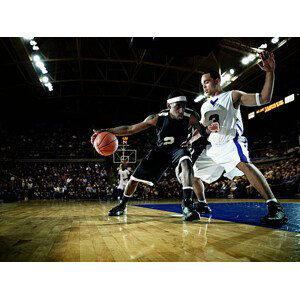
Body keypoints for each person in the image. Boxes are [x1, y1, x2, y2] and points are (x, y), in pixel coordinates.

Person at [189, 50, 287, 225]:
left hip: (230, 142)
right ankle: (202, 203)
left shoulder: (232, 95)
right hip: (213, 147)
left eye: (207, 82)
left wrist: (270, 72)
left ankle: (275, 206)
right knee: (192, 174)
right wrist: (190, 140)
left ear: (217, 80)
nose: (204, 86)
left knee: (245, 165)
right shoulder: (204, 106)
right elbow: (203, 128)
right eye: (202, 84)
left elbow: (265, 98)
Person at [91, 92, 204, 221]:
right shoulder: (158, 118)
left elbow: (200, 131)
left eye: (183, 106)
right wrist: (107, 131)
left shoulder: (191, 116)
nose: (181, 110)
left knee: (186, 161)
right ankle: (122, 205)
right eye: (177, 106)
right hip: (160, 151)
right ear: (169, 105)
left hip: (179, 149)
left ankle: (187, 205)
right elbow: (130, 129)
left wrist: (190, 141)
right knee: (134, 179)